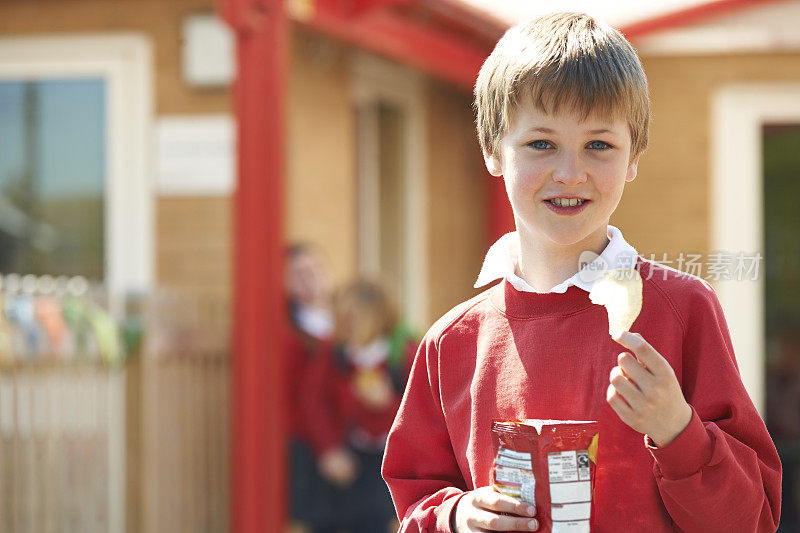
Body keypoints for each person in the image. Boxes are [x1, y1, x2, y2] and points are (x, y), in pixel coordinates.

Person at [381, 12, 782, 533]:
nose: (570, 173)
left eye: (599, 145)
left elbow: (751, 520)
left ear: (634, 156)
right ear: (492, 151)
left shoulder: (682, 310)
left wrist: (678, 432)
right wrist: (456, 516)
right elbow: (417, 503)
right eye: (541, 143)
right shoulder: (451, 343)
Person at [305, 278, 416, 532]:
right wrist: (328, 449)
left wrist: (386, 404)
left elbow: (420, 415)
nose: (347, 325)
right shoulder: (334, 353)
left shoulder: (404, 353)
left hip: (385, 461)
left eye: (354, 318)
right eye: (343, 317)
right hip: (345, 456)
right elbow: (314, 403)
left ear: (377, 317)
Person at [284, 243, 336, 532]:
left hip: (351, 437)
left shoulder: (345, 318)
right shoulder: (287, 332)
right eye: (299, 273)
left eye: (315, 269)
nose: (310, 278)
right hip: (306, 443)